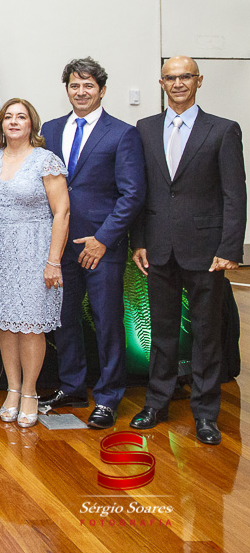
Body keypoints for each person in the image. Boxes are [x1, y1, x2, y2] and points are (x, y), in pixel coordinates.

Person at [131, 56, 246, 446]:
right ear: (161, 83)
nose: (178, 83)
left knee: (206, 334)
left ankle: (206, 413)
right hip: (158, 249)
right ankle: (157, 403)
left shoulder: (223, 130)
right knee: (161, 333)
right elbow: (141, 191)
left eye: (185, 77)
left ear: (199, 81)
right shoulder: (145, 128)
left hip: (207, 251)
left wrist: (230, 248)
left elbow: (235, 195)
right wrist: (139, 241)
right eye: (170, 77)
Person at [38, 58, 145, 430]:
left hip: (101, 247)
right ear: (66, 89)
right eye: (74, 85)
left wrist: (102, 239)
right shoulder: (51, 130)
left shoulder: (123, 134)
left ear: (102, 90)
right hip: (59, 246)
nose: (80, 92)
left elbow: (132, 195)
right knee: (64, 319)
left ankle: (109, 396)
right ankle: (72, 387)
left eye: (88, 85)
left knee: (107, 322)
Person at [0, 97, 70, 429]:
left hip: (35, 251)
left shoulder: (46, 161)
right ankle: (12, 389)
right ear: (1, 124)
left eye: (21, 117)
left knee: (30, 325)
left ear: (32, 124)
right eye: (8, 117)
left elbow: (62, 212)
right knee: (6, 324)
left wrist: (53, 261)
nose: (14, 121)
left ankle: (30, 392)